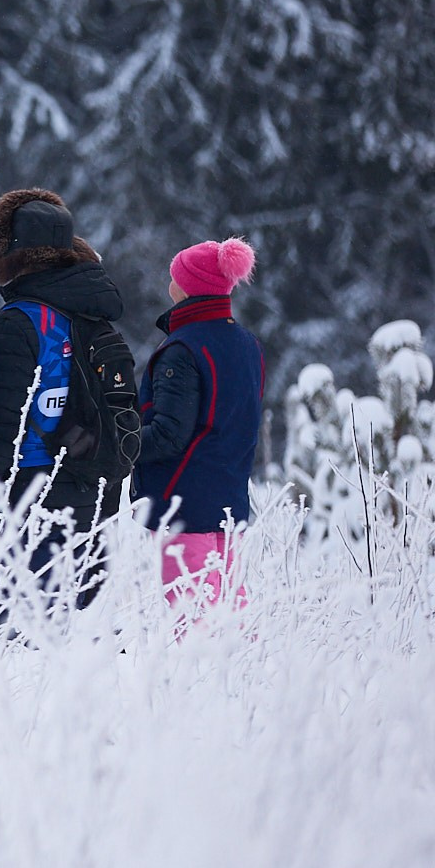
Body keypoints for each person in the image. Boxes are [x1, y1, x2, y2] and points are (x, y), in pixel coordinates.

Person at [0, 189, 133, 586]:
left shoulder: (18, 323)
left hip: (31, 495)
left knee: (27, 631)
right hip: (92, 489)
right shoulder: (95, 316)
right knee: (80, 624)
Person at [134, 238, 264, 606]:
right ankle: (244, 666)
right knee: (229, 606)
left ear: (188, 286)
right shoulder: (247, 343)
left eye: (174, 275)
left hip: (184, 502)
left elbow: (168, 434)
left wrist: (116, 444)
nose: (169, 282)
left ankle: (198, 668)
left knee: (191, 614)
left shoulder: (184, 348)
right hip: (229, 495)